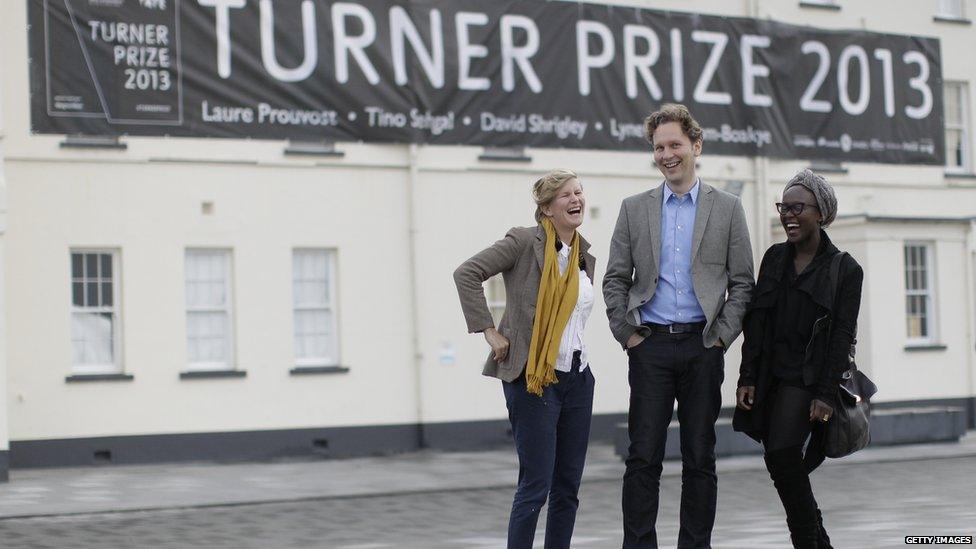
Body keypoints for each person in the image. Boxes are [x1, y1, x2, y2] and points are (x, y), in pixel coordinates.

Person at [603, 103, 754, 548]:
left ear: (695, 145)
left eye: (674, 145)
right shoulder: (635, 209)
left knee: (699, 458)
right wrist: (628, 335)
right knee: (642, 457)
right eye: (658, 147)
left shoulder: (727, 208)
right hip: (649, 345)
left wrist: (721, 337)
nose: (666, 154)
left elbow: (743, 283)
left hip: (701, 346)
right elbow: (615, 278)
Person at [453, 169, 597, 549]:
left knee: (568, 488)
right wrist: (488, 329)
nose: (575, 200)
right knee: (536, 486)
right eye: (565, 195)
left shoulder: (584, 255)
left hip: (578, 378)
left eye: (579, 192)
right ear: (547, 208)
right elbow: (466, 273)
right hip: (534, 378)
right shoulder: (522, 241)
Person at [733, 169, 862, 548]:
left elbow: (842, 336)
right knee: (781, 463)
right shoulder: (774, 258)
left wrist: (824, 393)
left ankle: (808, 541)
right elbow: (756, 320)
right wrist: (747, 376)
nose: (788, 215)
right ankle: (818, 540)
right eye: (783, 207)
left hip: (806, 381)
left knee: (784, 455)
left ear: (820, 212)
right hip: (771, 375)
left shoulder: (845, 268)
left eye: (797, 207)